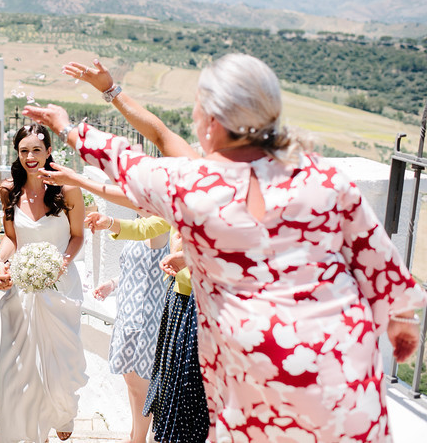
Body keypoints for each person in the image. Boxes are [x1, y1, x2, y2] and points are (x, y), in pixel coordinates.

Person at [25, 54, 427, 442]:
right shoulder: (324, 179)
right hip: (347, 388)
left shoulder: (196, 188)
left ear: (211, 123)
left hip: (257, 392)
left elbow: (125, 160)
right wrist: (402, 322)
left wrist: (66, 127)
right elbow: (382, 265)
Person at [0, 124, 87, 443]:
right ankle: (33, 434)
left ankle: (60, 409)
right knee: (20, 370)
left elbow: (77, 235)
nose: (30, 156)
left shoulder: (68, 188)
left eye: (36, 150)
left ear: (49, 151)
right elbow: (11, 238)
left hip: (61, 288)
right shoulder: (8, 189)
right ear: (17, 155)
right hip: (22, 290)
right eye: (23, 151)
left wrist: (63, 261)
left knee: (58, 364)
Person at [89, 212, 172, 443]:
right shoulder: (139, 226)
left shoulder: (159, 225)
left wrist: (109, 222)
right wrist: (112, 284)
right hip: (128, 315)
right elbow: (134, 269)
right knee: (131, 381)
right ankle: (135, 435)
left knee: (140, 383)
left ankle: (139, 439)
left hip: (146, 320)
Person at [142, 231, 208, 443]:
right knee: (172, 383)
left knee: (187, 389)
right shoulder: (182, 204)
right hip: (180, 296)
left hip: (200, 303)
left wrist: (187, 262)